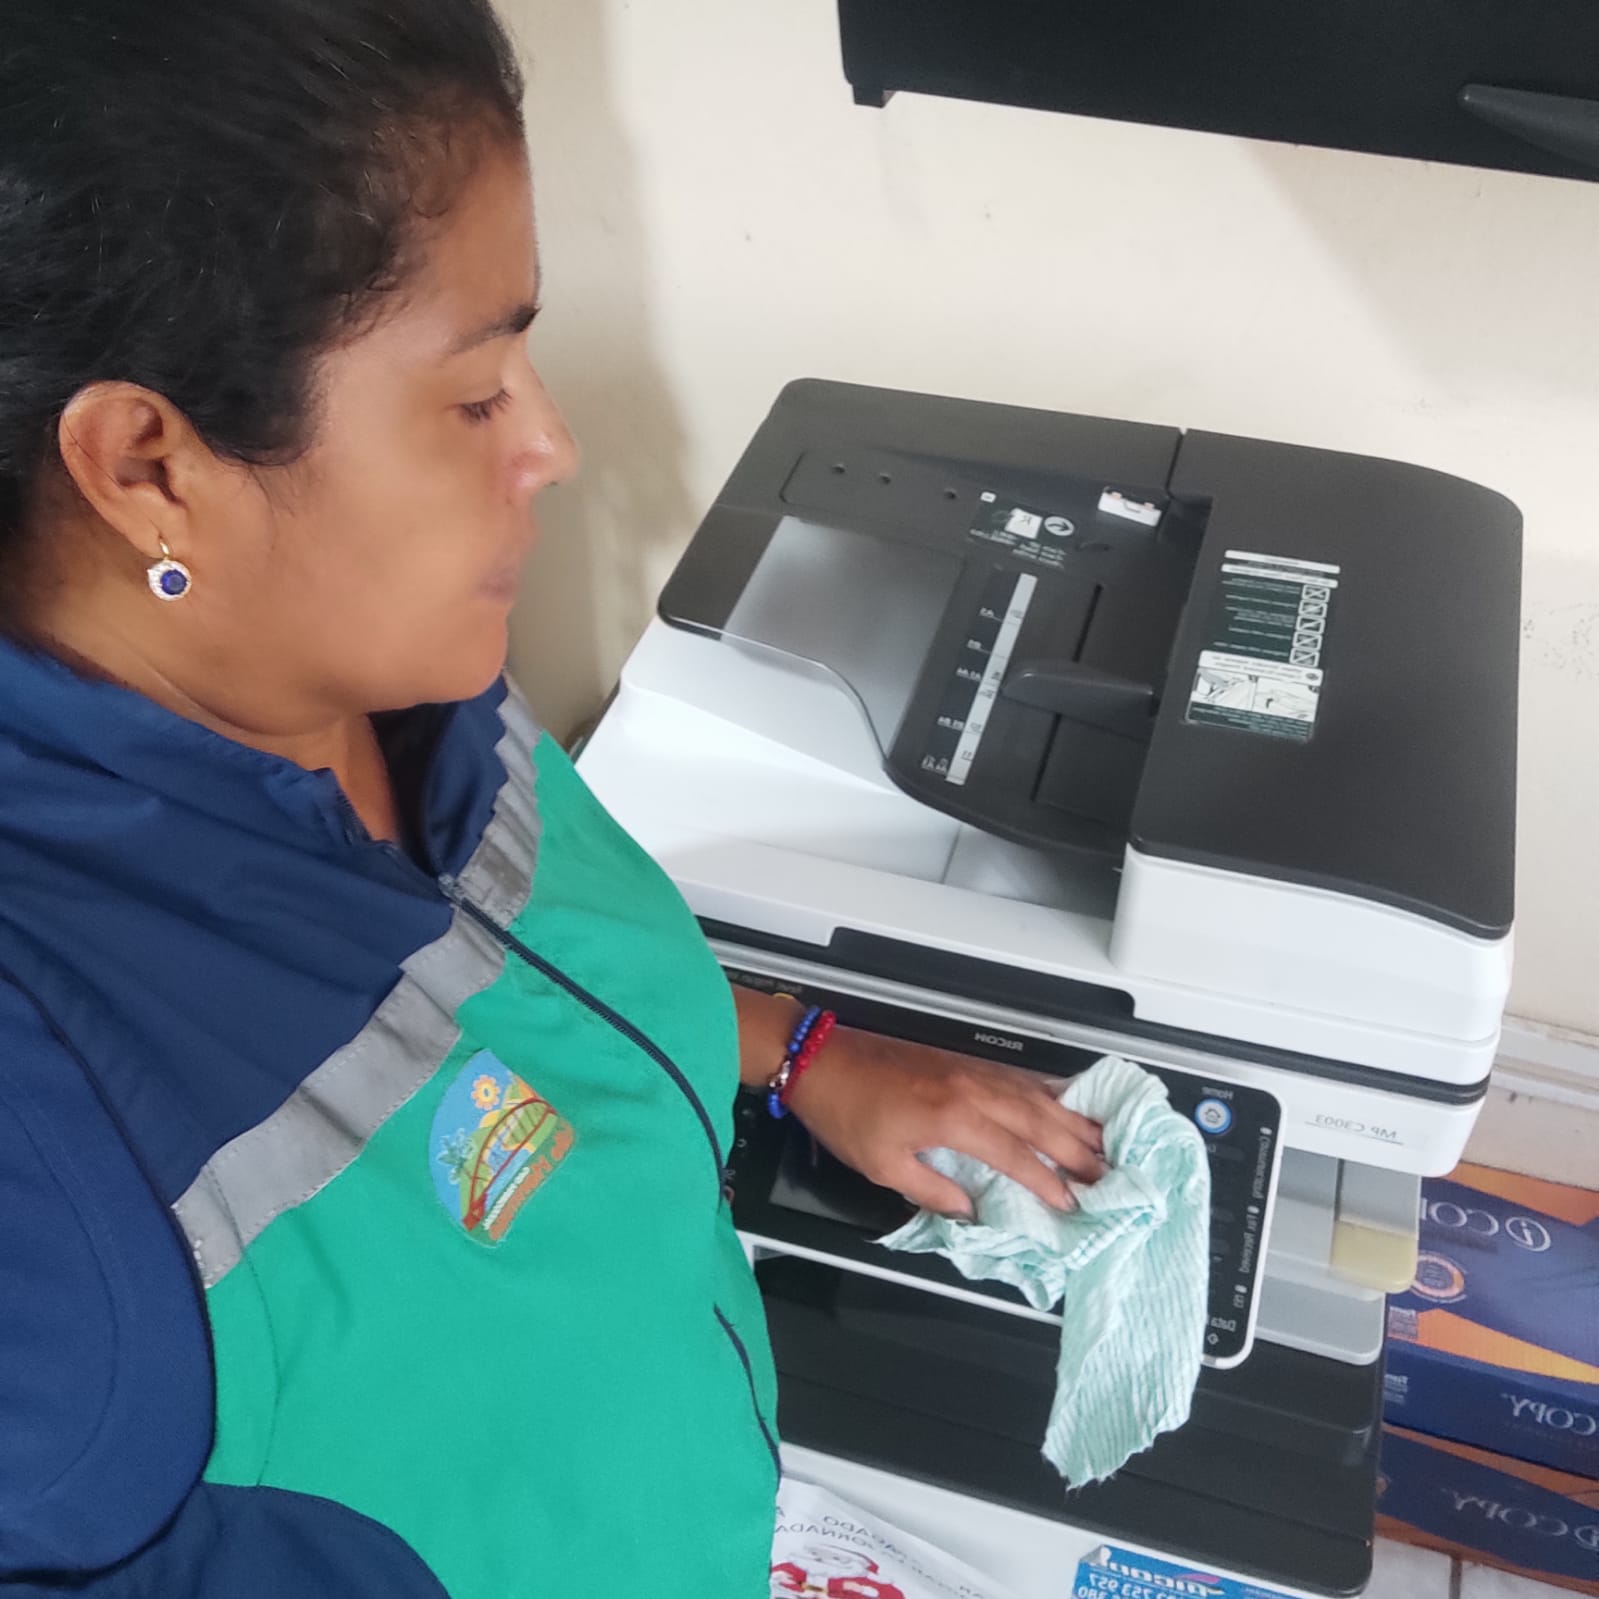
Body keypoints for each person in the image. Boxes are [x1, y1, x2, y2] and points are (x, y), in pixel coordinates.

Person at [0, 3, 1106, 1594]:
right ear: (150, 467)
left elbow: (493, 993)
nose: (555, 445)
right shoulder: (47, 1131)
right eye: (473, 395)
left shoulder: (401, 675)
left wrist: (800, 1048)